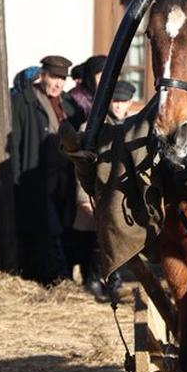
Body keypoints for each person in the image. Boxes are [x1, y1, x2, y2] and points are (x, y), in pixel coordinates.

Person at [10, 55, 78, 284]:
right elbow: (15, 146)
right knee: (46, 230)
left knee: (62, 227)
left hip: (63, 179)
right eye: (54, 77)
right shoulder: (24, 102)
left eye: (62, 79)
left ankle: (56, 277)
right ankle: (53, 278)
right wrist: (17, 182)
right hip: (35, 178)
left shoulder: (68, 105)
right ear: (43, 76)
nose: (59, 84)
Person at [72, 80, 137, 300]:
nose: (118, 106)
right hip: (98, 190)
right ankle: (94, 280)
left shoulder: (135, 126)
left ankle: (114, 281)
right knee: (97, 238)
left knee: (117, 240)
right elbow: (82, 165)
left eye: (123, 102)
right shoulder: (92, 127)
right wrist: (83, 196)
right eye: (115, 101)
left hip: (124, 193)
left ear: (130, 103)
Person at [66, 55, 106, 127]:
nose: (104, 82)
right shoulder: (75, 98)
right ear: (90, 78)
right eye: (100, 77)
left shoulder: (104, 96)